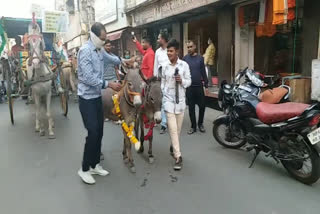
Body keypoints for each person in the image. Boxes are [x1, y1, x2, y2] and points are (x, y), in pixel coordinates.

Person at [77, 22, 121, 185]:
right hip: (86, 99)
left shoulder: (99, 50)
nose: (104, 42)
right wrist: (108, 84)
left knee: (100, 131)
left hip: (96, 97)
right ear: (94, 36)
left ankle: (95, 164)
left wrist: (125, 61)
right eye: (102, 39)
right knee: (93, 132)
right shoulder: (85, 51)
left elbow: (112, 59)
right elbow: (87, 78)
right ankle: (84, 169)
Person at [161, 39, 191, 170]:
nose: (169, 53)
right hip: (168, 101)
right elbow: (162, 82)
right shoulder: (164, 66)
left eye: (171, 51)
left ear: (177, 51)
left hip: (181, 102)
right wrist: (164, 92)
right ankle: (178, 157)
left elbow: (189, 81)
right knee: (172, 129)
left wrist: (182, 81)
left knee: (177, 130)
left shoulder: (184, 65)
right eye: (167, 51)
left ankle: (173, 145)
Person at [183, 40, 209, 134]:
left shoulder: (200, 58)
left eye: (191, 47)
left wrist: (206, 85)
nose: (189, 49)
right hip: (189, 88)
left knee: (202, 106)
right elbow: (182, 73)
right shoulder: (185, 59)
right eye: (188, 47)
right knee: (191, 108)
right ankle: (193, 126)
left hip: (199, 87)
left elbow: (203, 73)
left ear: (195, 47)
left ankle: (200, 124)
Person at [154, 32, 170, 134]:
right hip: (162, 81)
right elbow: (156, 66)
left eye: (159, 38)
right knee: (163, 102)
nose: (157, 40)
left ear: (164, 39)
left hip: (172, 81)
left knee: (172, 101)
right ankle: (164, 124)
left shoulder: (171, 49)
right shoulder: (157, 52)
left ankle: (172, 121)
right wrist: (155, 80)